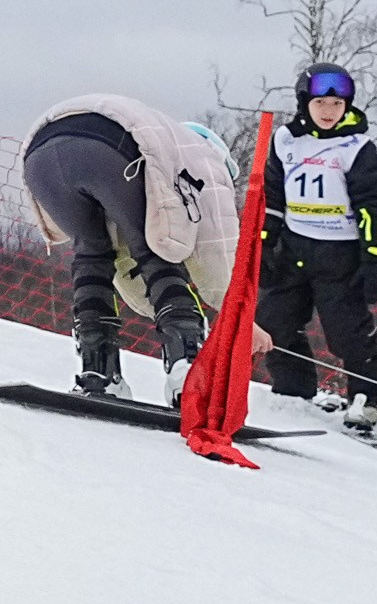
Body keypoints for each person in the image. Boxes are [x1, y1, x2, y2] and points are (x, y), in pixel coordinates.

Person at [22, 95, 240, 404]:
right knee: (157, 248)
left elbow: (123, 265)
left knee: (92, 254)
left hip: (40, 156)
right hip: (106, 149)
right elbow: (216, 248)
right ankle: (187, 370)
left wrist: (152, 302)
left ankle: (98, 374)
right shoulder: (206, 159)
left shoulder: (165, 142)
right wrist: (238, 315)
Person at [258, 63, 377, 433]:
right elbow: (272, 195)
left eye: (337, 105)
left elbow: (373, 206)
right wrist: (265, 241)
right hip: (293, 249)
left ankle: (369, 398)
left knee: (347, 330)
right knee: (274, 320)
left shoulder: (356, 147)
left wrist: (375, 259)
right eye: (321, 103)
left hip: (340, 255)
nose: (329, 111)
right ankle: (293, 386)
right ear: (306, 103)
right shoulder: (285, 140)